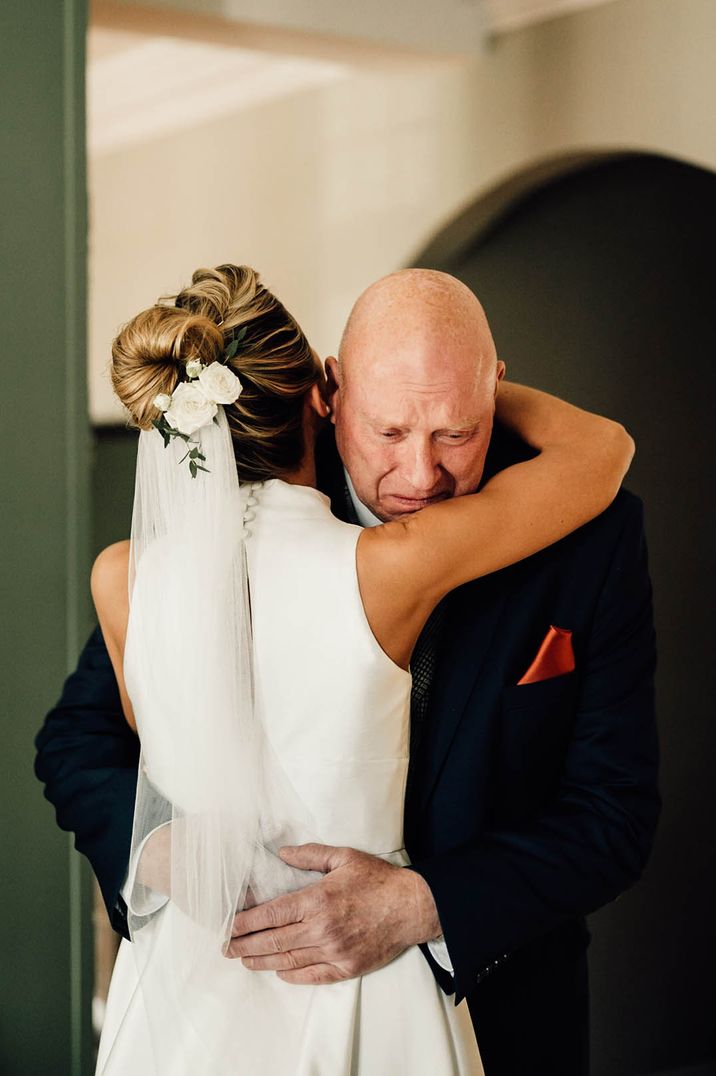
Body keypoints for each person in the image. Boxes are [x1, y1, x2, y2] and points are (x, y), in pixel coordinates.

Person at [35, 265, 657, 1076]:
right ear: (328, 393)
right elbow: (80, 743)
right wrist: (171, 853)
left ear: (492, 389)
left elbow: (614, 815)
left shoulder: (587, 537)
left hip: (494, 1008)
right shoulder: (251, 547)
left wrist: (425, 905)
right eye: (390, 431)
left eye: (457, 431)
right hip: (214, 989)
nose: (421, 476)